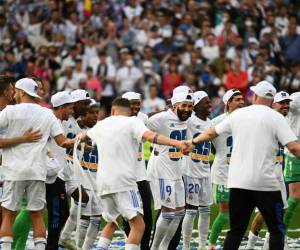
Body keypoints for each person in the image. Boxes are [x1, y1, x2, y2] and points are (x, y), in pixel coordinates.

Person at [189, 80, 300, 250]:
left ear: (255, 96)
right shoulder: (276, 118)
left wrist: (192, 141)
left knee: (236, 231)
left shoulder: (238, 115)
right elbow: (293, 147)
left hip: (239, 182)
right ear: (272, 100)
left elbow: (212, 132)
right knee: (276, 229)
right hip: (266, 183)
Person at [77, 97, 188, 250]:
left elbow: (81, 137)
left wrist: (65, 142)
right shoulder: (132, 122)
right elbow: (151, 136)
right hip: (124, 182)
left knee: (112, 222)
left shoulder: (101, 124)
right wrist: (177, 143)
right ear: (128, 111)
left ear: (113, 110)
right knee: (138, 225)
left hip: (102, 183)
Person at [0, 78, 74, 250]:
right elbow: (63, 142)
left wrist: (18, 140)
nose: (15, 94)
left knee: (9, 215)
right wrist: (82, 139)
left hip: (14, 171)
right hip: (38, 172)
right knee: (37, 215)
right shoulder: (47, 113)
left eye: (17, 91)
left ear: (22, 92)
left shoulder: (10, 111)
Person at [246, 91, 292, 250]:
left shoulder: (283, 121)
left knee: (283, 209)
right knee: (263, 215)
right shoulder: (266, 120)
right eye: (282, 103)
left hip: (278, 173)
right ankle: (250, 246)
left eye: (287, 103)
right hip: (264, 174)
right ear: (273, 104)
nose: (286, 105)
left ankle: (269, 243)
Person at [148, 90, 193, 250]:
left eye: (190, 106)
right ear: (174, 105)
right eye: (184, 105)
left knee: (180, 213)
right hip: (161, 170)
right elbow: (141, 129)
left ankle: (164, 247)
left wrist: (187, 147)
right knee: (167, 214)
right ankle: (154, 247)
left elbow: (185, 140)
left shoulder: (186, 120)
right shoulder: (160, 118)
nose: (187, 109)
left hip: (176, 170)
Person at [208, 89, 245, 250]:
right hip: (223, 172)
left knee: (240, 212)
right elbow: (210, 145)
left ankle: (231, 243)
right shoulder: (216, 122)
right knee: (224, 214)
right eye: (237, 99)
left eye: (242, 98)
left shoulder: (247, 120)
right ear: (228, 102)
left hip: (241, 172)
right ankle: (211, 245)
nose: (241, 101)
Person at [59, 89, 91, 249]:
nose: (87, 107)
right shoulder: (63, 120)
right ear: (75, 103)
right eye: (84, 104)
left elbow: (76, 143)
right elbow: (62, 142)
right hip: (59, 166)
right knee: (57, 209)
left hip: (69, 167)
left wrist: (85, 147)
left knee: (83, 198)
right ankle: (58, 237)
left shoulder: (75, 122)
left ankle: (64, 236)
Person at [181, 91, 212, 250]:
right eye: (206, 102)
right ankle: (186, 246)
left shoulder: (211, 123)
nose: (210, 105)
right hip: (190, 171)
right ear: (197, 105)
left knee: (206, 210)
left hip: (205, 171)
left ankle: (201, 245)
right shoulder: (189, 121)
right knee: (191, 211)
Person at [122, 91, 152, 250]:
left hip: (141, 176)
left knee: (147, 214)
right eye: (132, 103)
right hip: (125, 177)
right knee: (129, 217)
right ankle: (131, 244)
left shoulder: (143, 118)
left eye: (137, 103)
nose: (135, 106)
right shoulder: (117, 122)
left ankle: (145, 246)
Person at [77, 100, 102, 250]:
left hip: (97, 180)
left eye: (96, 113)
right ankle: (77, 246)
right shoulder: (76, 129)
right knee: (84, 218)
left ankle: (85, 248)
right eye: (91, 113)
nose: (95, 116)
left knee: (97, 218)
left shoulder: (100, 129)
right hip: (82, 179)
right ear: (83, 114)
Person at [283, 92, 300, 241]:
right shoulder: (295, 99)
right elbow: (284, 108)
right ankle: (279, 234)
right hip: (295, 153)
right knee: (295, 195)